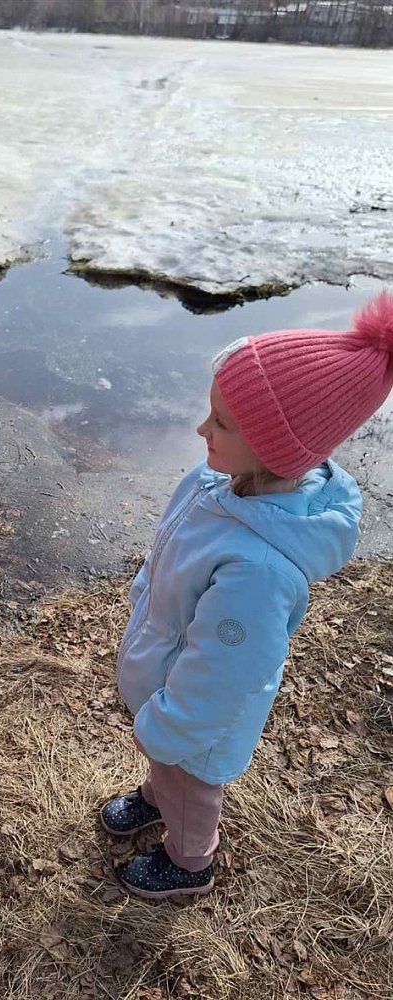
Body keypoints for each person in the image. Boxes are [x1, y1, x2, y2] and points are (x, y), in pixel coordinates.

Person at [101, 293, 393, 899]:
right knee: (168, 769)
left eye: (221, 423)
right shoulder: (220, 480)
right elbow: (172, 550)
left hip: (196, 716)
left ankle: (188, 861)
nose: (201, 430)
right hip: (168, 676)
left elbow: (224, 674)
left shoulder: (259, 569)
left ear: (274, 449)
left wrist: (170, 727)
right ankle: (158, 792)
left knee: (191, 785)